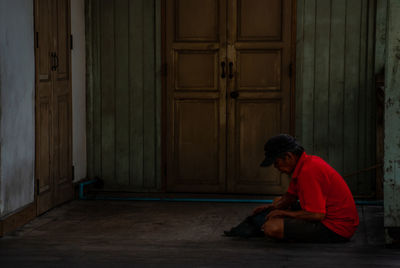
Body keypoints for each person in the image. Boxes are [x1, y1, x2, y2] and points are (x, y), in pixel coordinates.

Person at [224, 134, 359, 243]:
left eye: (276, 163)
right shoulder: (303, 164)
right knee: (278, 203)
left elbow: (317, 215)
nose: (276, 168)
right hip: (326, 217)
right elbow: (289, 198)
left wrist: (285, 214)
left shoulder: (308, 172)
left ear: (288, 156)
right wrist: (270, 208)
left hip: (337, 228)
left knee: (272, 228)